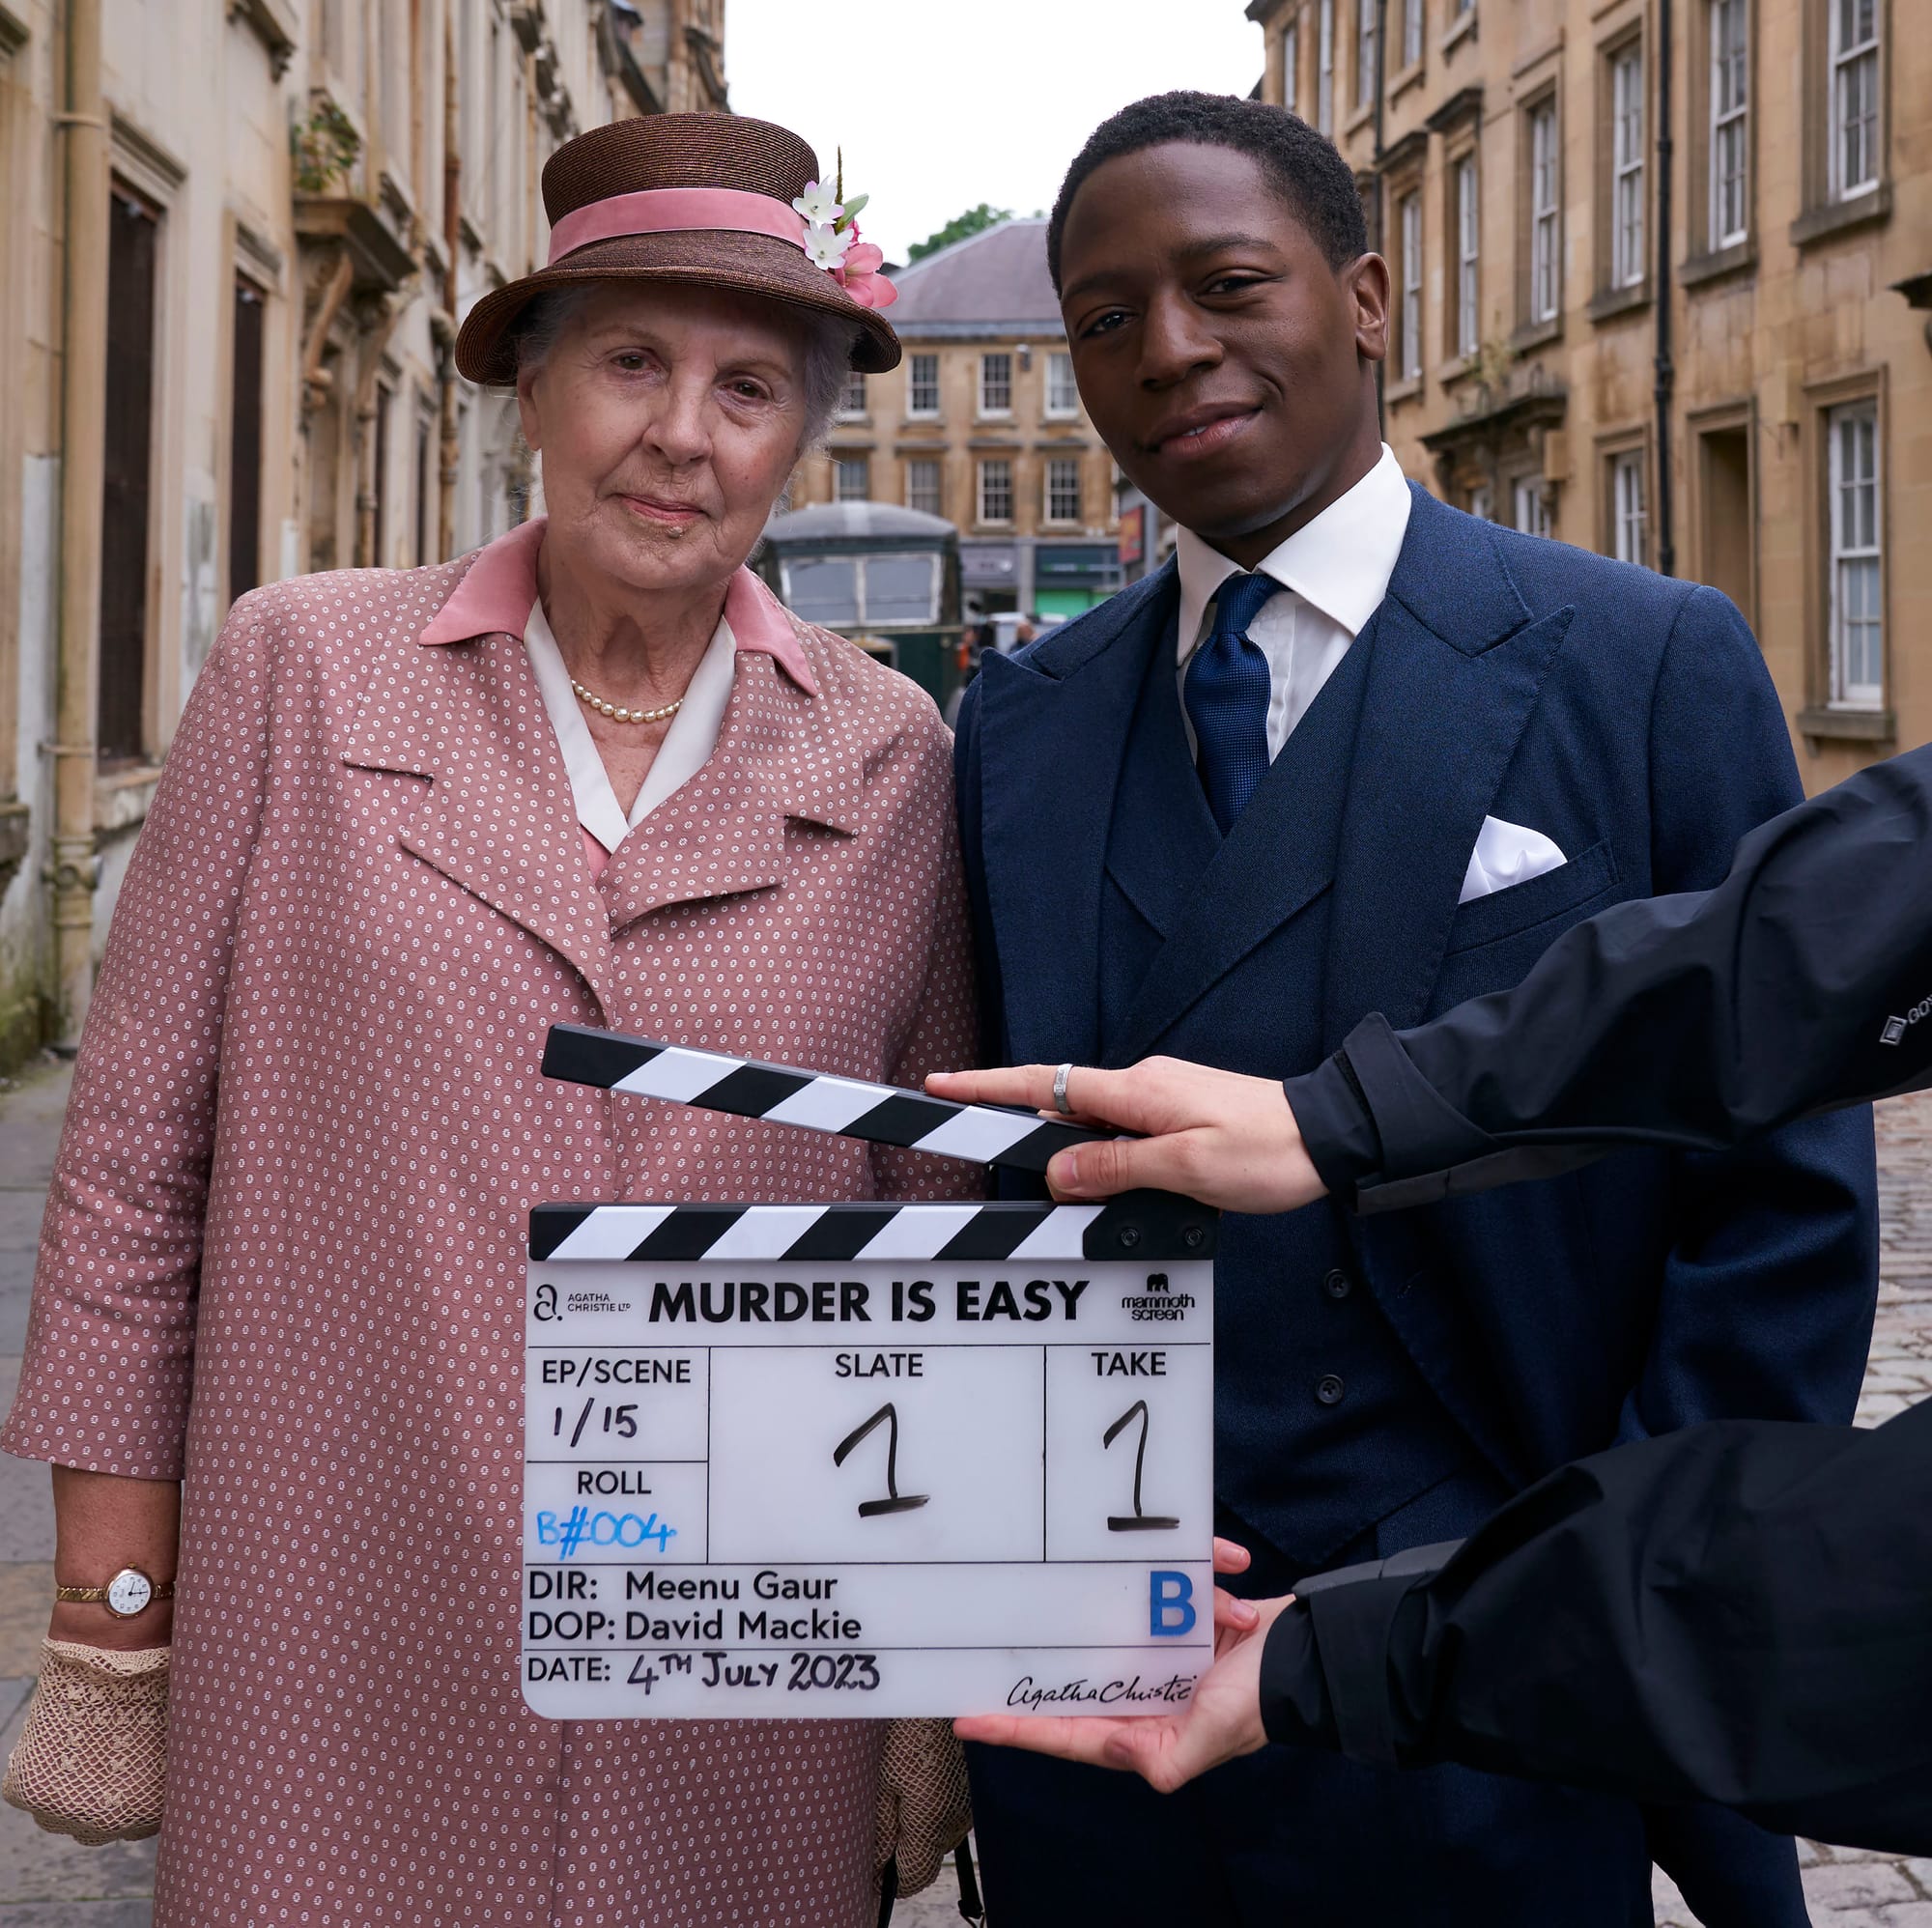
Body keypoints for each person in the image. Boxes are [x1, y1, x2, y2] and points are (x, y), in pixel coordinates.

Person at [0, 115, 976, 1928]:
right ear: (532, 383)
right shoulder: (301, 670)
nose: (682, 434)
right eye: (631, 363)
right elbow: (133, 1166)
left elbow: (932, 1228)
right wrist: (110, 1615)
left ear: (802, 436)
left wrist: (927, 1670)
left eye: (749, 387)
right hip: (332, 1625)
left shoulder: (889, 752)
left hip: (737, 1669)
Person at [946, 88, 1877, 1928]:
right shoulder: (1017, 725)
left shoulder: (1643, 661)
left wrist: (1614, 1606)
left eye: (1229, 284)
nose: (1169, 348)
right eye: (1108, 319)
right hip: (1102, 1695)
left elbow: (1779, 1202)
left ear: (1368, 299)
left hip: (1488, 1679)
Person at [942, 738, 1932, 1852]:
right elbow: (1813, 936)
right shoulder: (1015, 719)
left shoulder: (1660, 668)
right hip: (1143, 1728)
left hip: (1487, 1733)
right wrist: (1348, 1117)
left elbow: (1855, 1577)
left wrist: (1411, 1645)